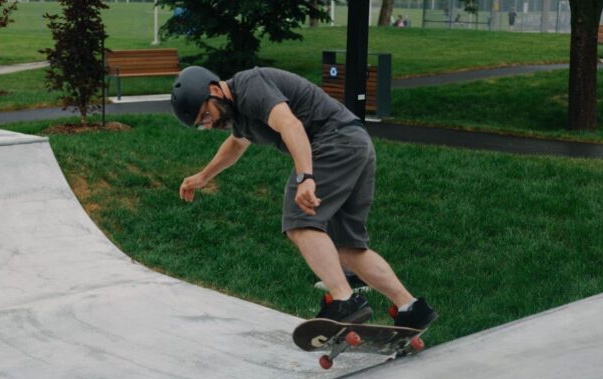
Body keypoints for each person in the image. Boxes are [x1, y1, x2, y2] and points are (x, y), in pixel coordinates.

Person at [171, 66, 437, 329]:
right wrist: (204, 176)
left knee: (299, 222)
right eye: (202, 124)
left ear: (214, 89)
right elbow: (236, 144)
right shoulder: (237, 112)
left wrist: (305, 177)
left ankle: (344, 301)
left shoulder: (251, 86)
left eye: (206, 114)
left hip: (333, 142)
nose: (210, 123)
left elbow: (290, 124)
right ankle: (410, 308)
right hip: (354, 143)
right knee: (348, 246)